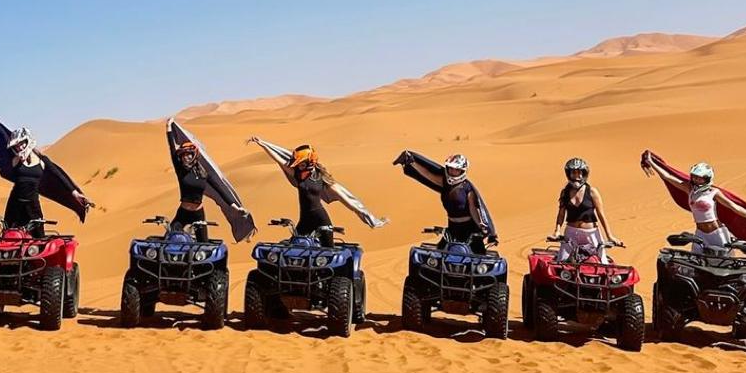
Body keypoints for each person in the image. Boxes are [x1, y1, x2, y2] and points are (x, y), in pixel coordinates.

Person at [248, 137, 387, 246]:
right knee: (294, 249)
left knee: (329, 253)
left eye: (302, 164)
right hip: (304, 220)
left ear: (310, 162)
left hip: (322, 221)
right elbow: (279, 159)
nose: (299, 167)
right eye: (298, 164)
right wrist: (263, 144)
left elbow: (349, 201)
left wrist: (370, 219)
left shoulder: (323, 180)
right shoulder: (297, 175)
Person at [0, 110, 93, 228]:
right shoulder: (15, 160)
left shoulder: (42, 161)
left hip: (33, 205)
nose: (20, 147)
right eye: (17, 146)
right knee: (9, 236)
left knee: (39, 236)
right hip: (15, 204)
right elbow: (4, 136)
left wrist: (75, 193)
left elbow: (59, 176)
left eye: (22, 143)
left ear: (28, 141)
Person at [640, 150, 746, 252]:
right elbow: (667, 176)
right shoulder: (689, 189)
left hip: (717, 233)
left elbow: (734, 207)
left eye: (700, 178)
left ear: (707, 179)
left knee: (722, 264)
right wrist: (651, 162)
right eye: (695, 177)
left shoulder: (713, 192)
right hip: (700, 233)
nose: (697, 180)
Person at [165, 119, 255, 243]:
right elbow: (172, 149)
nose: (186, 158)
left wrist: (235, 207)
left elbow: (221, 191)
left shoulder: (205, 174)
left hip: (198, 214)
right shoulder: (181, 170)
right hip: (183, 213)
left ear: (194, 155)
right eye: (183, 155)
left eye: (189, 155)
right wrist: (168, 128)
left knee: (204, 244)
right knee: (168, 240)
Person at [392, 150, 498, 252]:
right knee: (440, 254)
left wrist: (482, 226)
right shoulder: (445, 184)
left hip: (469, 230)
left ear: (462, 170)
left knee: (479, 257)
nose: (452, 171)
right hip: (452, 228)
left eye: (456, 169)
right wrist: (412, 162)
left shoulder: (467, 188)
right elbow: (427, 175)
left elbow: (474, 209)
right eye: (450, 168)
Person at [552, 158, 621, 262]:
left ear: (584, 173)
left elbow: (600, 214)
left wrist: (610, 236)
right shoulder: (565, 192)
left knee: (601, 263)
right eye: (573, 173)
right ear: (569, 174)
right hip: (571, 233)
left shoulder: (592, 192)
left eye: (579, 172)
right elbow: (561, 214)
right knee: (561, 262)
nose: (577, 176)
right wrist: (557, 231)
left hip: (591, 233)